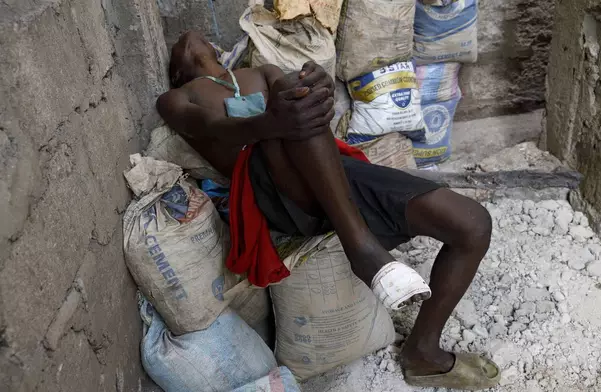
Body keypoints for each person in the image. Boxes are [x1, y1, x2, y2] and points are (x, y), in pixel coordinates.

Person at [157, 31, 501, 390]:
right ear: (177, 73)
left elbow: (304, 103)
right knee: (292, 117)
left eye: (199, 41)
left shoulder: (261, 72)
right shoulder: (177, 97)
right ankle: (362, 249)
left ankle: (422, 352)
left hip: (332, 172)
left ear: (218, 52)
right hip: (272, 191)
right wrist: (268, 124)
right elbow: (212, 127)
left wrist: (317, 85)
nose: (189, 40)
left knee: (473, 223)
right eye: (179, 50)